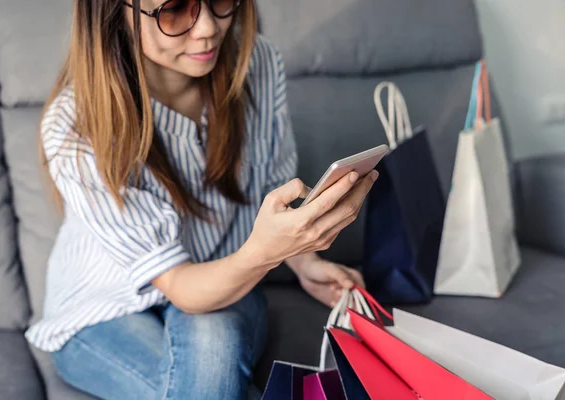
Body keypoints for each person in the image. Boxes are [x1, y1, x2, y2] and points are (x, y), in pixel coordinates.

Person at [25, 0, 379, 399]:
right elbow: (179, 285)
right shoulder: (75, 128)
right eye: (175, 9)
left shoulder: (258, 64)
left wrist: (304, 261)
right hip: (101, 310)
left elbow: (274, 185)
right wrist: (265, 253)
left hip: (224, 283)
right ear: (111, 13)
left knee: (211, 354)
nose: (208, 27)